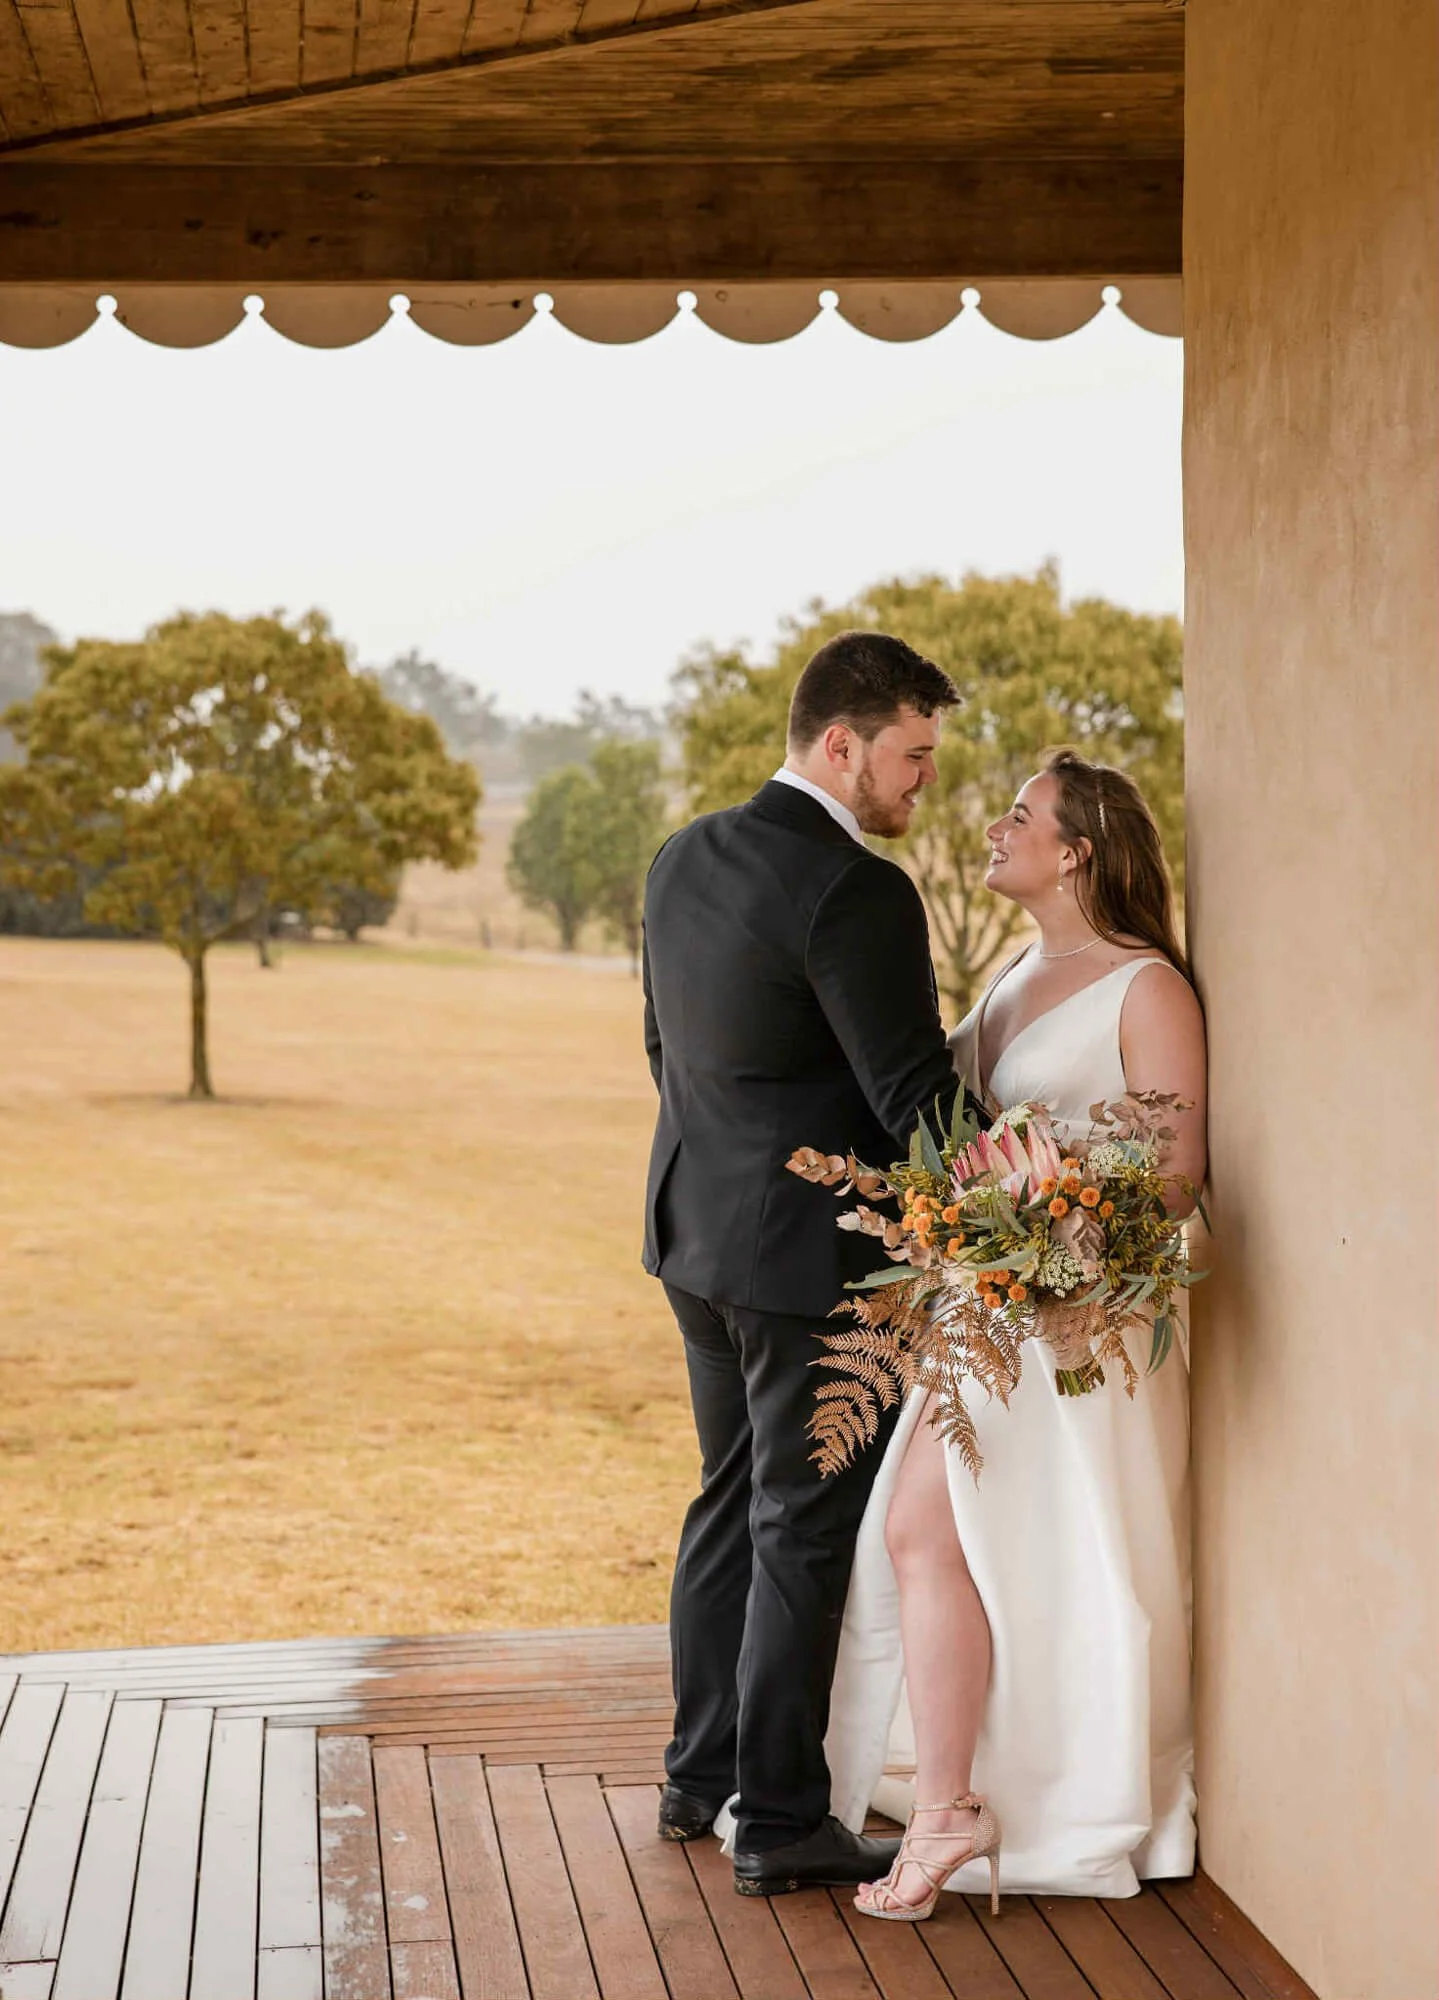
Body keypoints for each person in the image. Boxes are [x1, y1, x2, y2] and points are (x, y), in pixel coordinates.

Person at [826, 748, 1208, 1917]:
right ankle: (953, 1796)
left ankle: (980, 1804)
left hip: (1081, 1321)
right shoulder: (1005, 978)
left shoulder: (1145, 986)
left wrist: (1059, 1212)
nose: (991, 826)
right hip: (988, 1306)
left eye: (1016, 813)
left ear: (1076, 847)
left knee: (996, 1542)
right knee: (928, 1534)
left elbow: (1177, 1171)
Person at [641, 630, 985, 1897]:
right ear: (838, 744)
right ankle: (780, 1818)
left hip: (691, 1236)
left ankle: (697, 1772)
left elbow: (660, 1050)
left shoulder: (682, 856)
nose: (921, 782)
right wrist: (1017, 1209)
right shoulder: (855, 890)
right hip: (809, 1263)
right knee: (800, 1523)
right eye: (909, 754)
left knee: (728, 1498)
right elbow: (915, 1102)